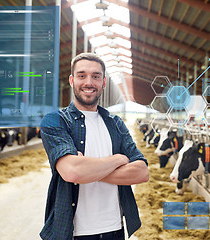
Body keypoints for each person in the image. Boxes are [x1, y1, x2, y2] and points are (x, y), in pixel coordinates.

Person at [40, 53, 149, 240]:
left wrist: (88, 171)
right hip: (73, 232)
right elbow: (72, 172)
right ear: (72, 80)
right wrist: (118, 160)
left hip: (114, 229)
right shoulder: (56, 120)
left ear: (104, 82)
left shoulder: (116, 123)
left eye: (96, 76)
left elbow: (142, 172)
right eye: (82, 76)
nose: (89, 82)